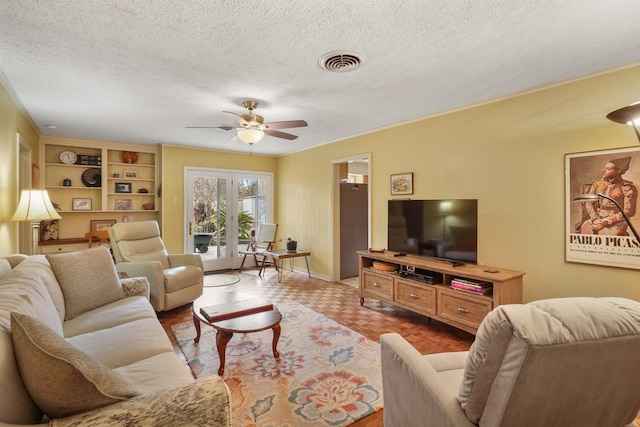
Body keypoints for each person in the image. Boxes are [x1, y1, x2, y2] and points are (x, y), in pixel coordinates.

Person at [576, 156, 638, 236]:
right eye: (605, 168)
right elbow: (588, 202)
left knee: (612, 237)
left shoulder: (627, 187)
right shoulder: (597, 184)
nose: (603, 171)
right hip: (597, 218)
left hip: (617, 221)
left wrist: (606, 221)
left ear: (618, 171)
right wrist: (595, 218)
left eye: (608, 169)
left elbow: (628, 212)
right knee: (585, 230)